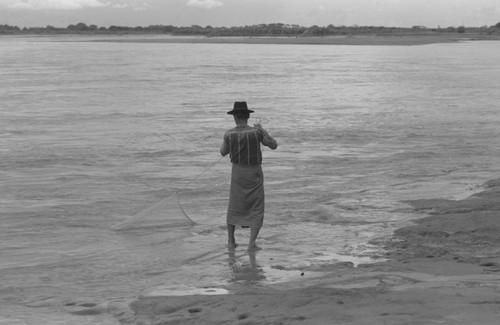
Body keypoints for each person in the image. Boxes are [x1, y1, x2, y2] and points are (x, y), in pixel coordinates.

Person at [220, 101, 278, 251]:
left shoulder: (228, 134)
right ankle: (251, 243)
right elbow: (273, 145)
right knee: (256, 207)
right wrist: (262, 130)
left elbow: (222, 152)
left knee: (234, 205)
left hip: (237, 174)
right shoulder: (256, 133)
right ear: (247, 116)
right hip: (254, 173)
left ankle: (231, 241)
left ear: (235, 117)